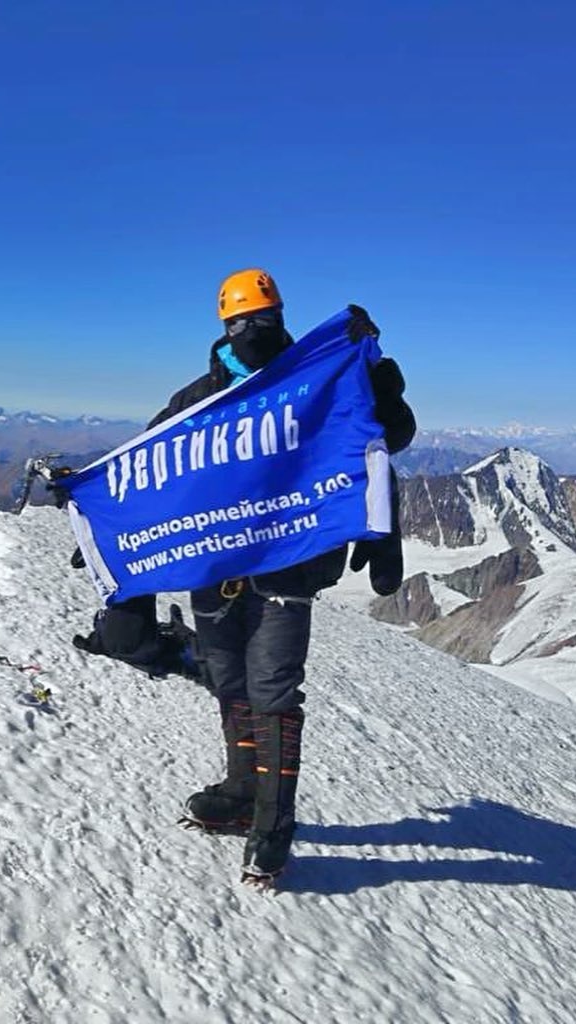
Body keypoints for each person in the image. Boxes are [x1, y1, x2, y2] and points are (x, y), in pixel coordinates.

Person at [148, 268, 417, 884]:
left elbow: (388, 438)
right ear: (225, 327)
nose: (252, 331)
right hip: (216, 566)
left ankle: (273, 824)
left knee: (271, 688)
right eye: (243, 322)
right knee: (226, 676)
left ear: (278, 319)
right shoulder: (198, 398)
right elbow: (149, 464)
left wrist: (381, 391)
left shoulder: (319, 380)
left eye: (261, 320)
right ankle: (242, 791)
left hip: (288, 568)